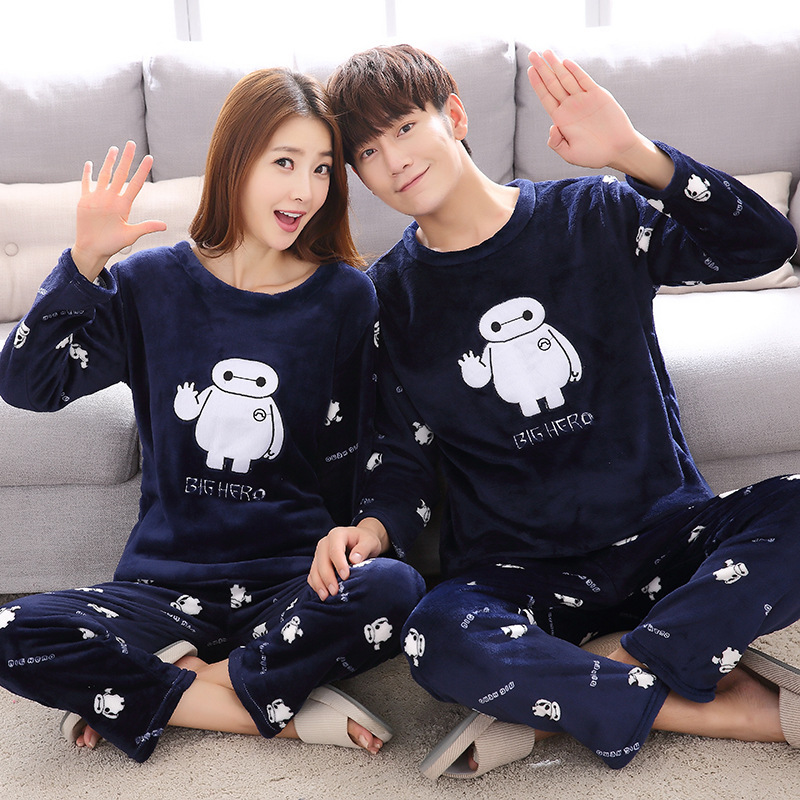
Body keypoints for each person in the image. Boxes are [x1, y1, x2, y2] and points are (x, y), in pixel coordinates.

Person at [308, 44, 800, 778]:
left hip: (665, 538)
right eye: (368, 152)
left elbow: (764, 246)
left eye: (405, 127)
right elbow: (401, 458)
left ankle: (586, 681)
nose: (395, 160)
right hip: (520, 575)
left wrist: (635, 153)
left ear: (454, 115)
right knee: (435, 636)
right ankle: (722, 707)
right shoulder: (388, 301)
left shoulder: (593, 213)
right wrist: (371, 529)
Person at [0, 68, 425, 763]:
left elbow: (381, 441)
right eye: (284, 162)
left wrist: (365, 532)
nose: (304, 190)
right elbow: (28, 384)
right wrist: (84, 259)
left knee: (395, 590)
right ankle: (280, 712)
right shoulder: (149, 284)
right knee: (13, 628)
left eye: (321, 168)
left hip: (293, 581)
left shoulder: (345, 297)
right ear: (235, 162)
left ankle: (151, 689)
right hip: (163, 586)